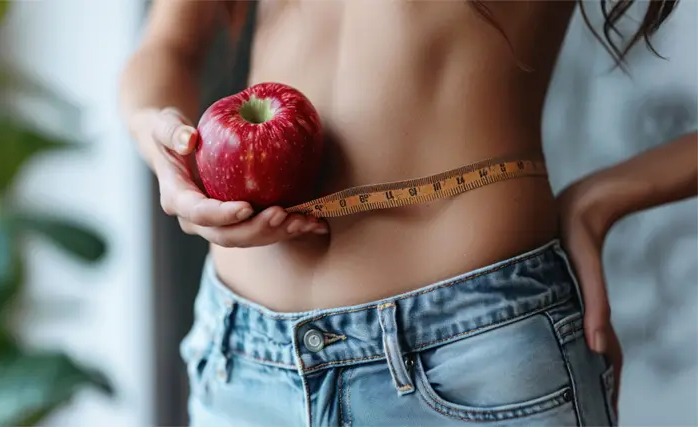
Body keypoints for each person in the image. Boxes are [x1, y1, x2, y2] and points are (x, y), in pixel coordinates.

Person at [118, 1, 696, 426]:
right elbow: (169, 43)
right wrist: (160, 137)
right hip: (242, 362)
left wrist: (600, 200)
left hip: (475, 357)